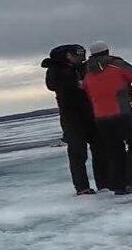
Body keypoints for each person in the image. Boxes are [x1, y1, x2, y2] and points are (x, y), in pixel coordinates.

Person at [82, 41, 132, 195]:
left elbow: (88, 94)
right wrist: (129, 93)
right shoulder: (117, 65)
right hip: (123, 113)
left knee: (113, 150)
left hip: (101, 118)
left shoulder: (87, 73)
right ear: (107, 51)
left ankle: (119, 186)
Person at [41, 44, 107, 194]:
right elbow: (53, 85)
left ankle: (104, 183)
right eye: (78, 54)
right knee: (78, 153)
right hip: (71, 118)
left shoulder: (83, 68)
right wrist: (74, 83)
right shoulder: (56, 70)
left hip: (91, 114)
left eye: (82, 54)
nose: (81, 57)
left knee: (100, 150)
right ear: (68, 55)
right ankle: (82, 187)